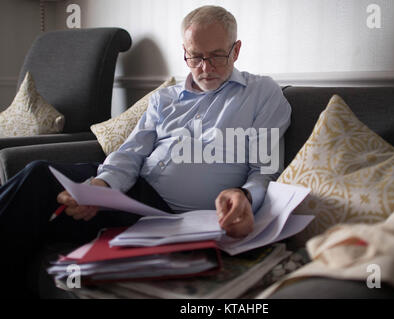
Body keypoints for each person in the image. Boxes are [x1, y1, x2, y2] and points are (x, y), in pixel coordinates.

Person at [0, 5, 291, 298]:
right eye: (195, 56)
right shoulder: (164, 99)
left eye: (216, 55)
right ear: (185, 52)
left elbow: (263, 170)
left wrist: (245, 196)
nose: (205, 67)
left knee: (39, 212)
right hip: (130, 195)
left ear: (236, 50)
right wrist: (100, 188)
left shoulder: (261, 93)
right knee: (38, 179)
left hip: (175, 217)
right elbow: (130, 154)